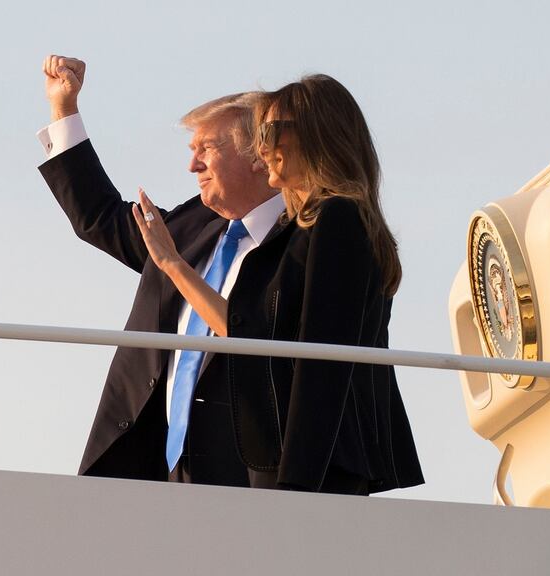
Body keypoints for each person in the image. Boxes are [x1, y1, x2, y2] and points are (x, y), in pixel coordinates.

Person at [136, 74, 424, 494]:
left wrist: (296, 485)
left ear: (313, 136)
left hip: (313, 469)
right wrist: (171, 263)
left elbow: (322, 362)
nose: (262, 147)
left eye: (269, 131)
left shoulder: (337, 220)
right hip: (286, 461)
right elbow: (247, 335)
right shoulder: (303, 232)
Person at [38, 55, 285, 486]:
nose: (193, 167)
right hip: (154, 471)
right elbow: (100, 217)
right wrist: (64, 111)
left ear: (260, 158)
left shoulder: (305, 242)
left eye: (207, 149)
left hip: (253, 482)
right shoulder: (191, 227)